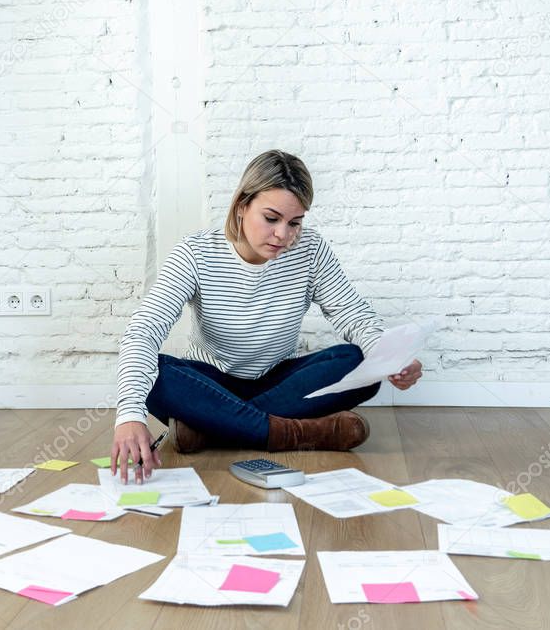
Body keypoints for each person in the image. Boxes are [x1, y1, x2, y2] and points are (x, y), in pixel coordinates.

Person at [111, 150, 423, 483]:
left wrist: (392, 357)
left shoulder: (311, 250)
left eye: (295, 223)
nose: (283, 235)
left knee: (357, 360)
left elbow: (355, 316)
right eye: (271, 218)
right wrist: (129, 415)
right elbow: (144, 331)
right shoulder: (196, 253)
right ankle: (292, 432)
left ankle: (210, 428)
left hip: (279, 380)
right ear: (242, 205)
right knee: (157, 374)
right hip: (211, 380)